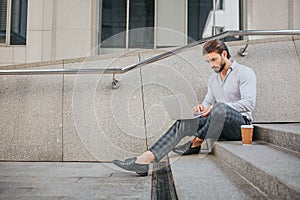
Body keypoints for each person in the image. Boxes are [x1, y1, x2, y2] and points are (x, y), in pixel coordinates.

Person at [112, 39, 256, 176]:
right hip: (216, 124)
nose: (212, 65)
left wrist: (216, 108)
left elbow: (249, 103)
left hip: (241, 126)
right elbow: (207, 102)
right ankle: (144, 160)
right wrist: (201, 108)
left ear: (224, 54)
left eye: (214, 60)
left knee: (220, 108)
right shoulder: (213, 79)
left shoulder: (244, 73)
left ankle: (196, 143)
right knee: (184, 121)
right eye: (208, 62)